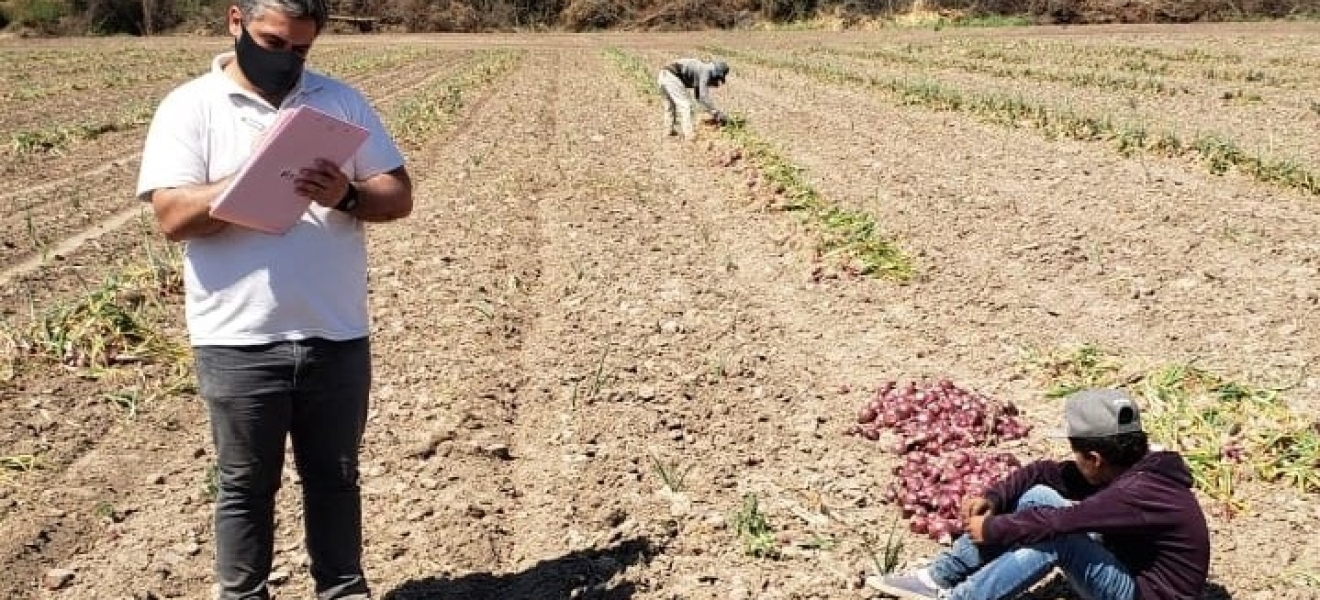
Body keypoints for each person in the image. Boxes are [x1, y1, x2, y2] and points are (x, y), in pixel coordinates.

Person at [134, 0, 412, 598]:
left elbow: (397, 193)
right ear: (236, 23)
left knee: (336, 481)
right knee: (243, 485)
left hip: (335, 333)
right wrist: (253, 178)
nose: (288, 60)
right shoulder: (189, 107)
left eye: (302, 49)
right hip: (237, 340)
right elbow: (172, 216)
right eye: (274, 43)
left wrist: (346, 195)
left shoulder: (338, 102)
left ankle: (343, 590)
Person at [873, 389, 1210, 600]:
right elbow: (1044, 473)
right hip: (1127, 563)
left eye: (1077, 454)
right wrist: (995, 497)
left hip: (1144, 594)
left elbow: (1061, 522)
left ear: (1095, 458)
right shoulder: (1129, 465)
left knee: (1057, 536)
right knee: (1038, 495)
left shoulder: (1139, 491)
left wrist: (991, 530)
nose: (1073, 460)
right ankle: (936, 578)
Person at [656, 58, 730, 141]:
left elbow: (698, 97)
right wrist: (716, 113)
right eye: (718, 78)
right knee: (686, 106)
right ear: (716, 73)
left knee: (670, 106)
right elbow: (703, 95)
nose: (716, 81)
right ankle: (689, 135)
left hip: (662, 76)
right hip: (671, 77)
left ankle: (668, 131)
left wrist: (709, 111)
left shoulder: (701, 68)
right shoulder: (706, 71)